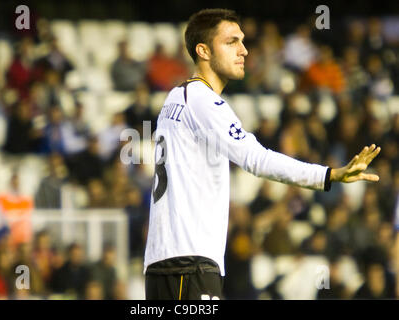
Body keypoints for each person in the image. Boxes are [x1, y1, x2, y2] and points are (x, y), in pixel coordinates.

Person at [143, 8, 381, 300]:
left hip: (163, 260)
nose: (243, 50)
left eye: (242, 41)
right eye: (231, 42)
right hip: (190, 261)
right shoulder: (203, 102)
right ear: (203, 50)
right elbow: (257, 159)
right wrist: (329, 174)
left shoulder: (175, 98)